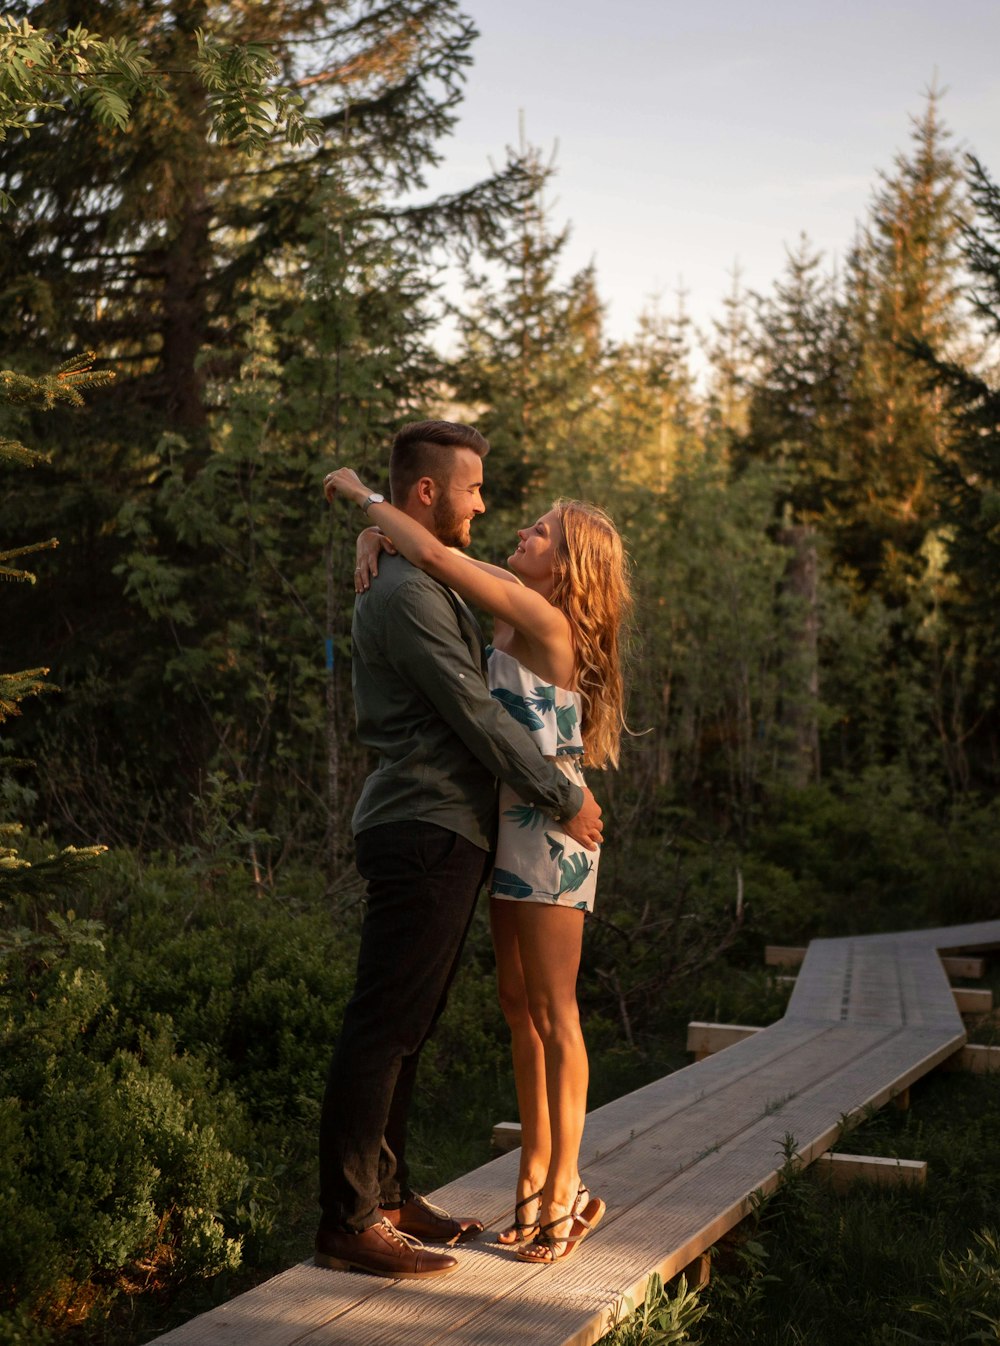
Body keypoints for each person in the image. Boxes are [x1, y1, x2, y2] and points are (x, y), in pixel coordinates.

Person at [316, 421, 604, 1280]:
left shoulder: (455, 588)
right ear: (429, 493)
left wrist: (374, 526)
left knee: (420, 1022)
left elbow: (452, 585)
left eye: (537, 525)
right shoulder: (411, 591)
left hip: (478, 829)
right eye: (474, 489)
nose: (491, 505)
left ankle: (400, 1196)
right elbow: (477, 716)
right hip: (430, 822)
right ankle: (350, 1217)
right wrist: (367, 509)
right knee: (386, 1025)